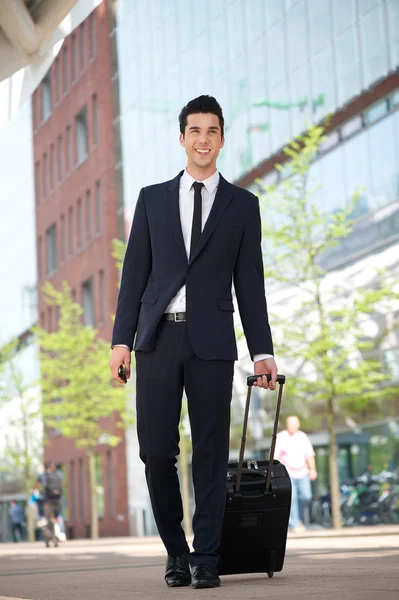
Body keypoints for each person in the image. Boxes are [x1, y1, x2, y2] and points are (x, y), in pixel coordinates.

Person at [109, 95, 277, 589]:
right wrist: (121, 341)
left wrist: (262, 352)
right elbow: (133, 276)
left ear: (222, 139)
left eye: (212, 131)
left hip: (212, 343)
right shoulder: (152, 199)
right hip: (157, 340)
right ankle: (175, 551)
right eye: (195, 131)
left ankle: (206, 555)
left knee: (209, 450)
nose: (203, 139)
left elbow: (250, 283)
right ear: (181, 138)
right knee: (156, 452)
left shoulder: (243, 206)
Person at [275, 415, 317, 532]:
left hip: (303, 472)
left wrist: (312, 469)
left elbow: (309, 454)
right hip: (288, 473)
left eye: (294, 424)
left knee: (306, 496)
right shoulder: (281, 437)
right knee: (291, 498)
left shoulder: (302, 437)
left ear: (298, 424)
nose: (292, 426)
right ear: (287, 425)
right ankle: (295, 523)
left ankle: (298, 520)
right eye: (290, 424)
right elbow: (275, 456)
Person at [38, 460, 63, 546]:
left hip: (47, 502)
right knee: (56, 519)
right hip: (57, 500)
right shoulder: (58, 474)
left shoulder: (43, 475)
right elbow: (61, 484)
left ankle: (48, 539)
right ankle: (56, 537)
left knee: (48, 521)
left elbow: (37, 486)